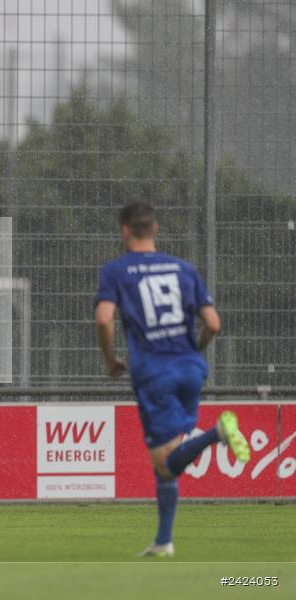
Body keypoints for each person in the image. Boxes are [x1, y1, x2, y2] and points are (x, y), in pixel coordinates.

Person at [94, 202, 251, 557]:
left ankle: (217, 433)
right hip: (191, 370)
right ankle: (164, 541)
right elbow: (213, 323)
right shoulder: (184, 269)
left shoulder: (117, 271)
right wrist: (195, 351)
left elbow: (104, 320)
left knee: (165, 462)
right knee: (168, 464)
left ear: (124, 231)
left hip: (154, 372)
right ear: (155, 228)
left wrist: (109, 360)